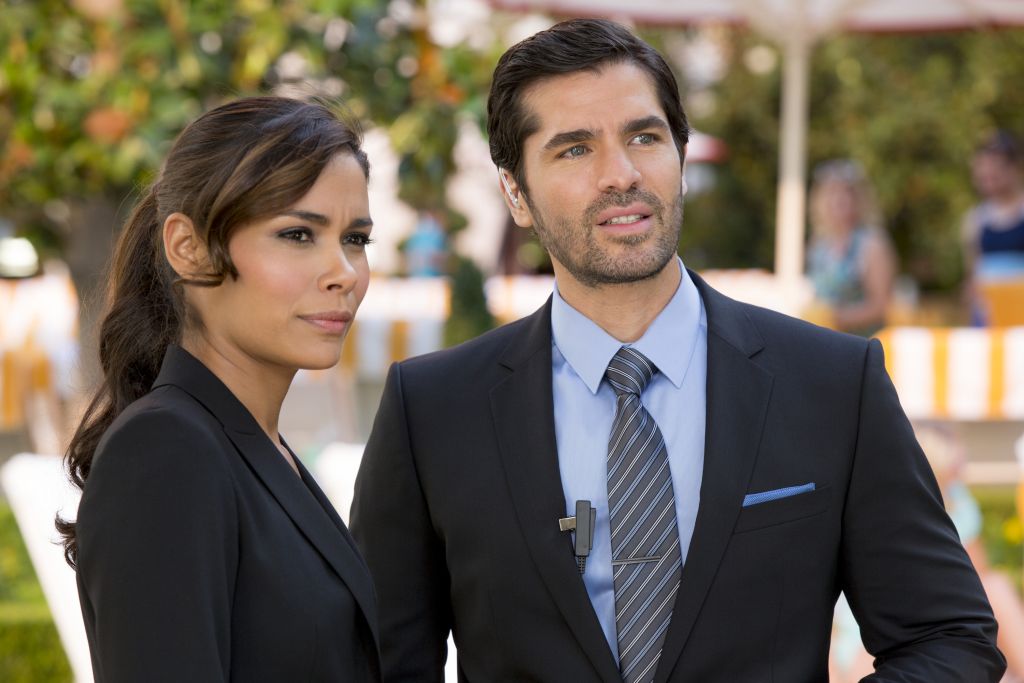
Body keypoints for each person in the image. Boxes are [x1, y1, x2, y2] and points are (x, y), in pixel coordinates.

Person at [351, 18, 1004, 682]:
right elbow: (378, 666)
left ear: (682, 160)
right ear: (515, 193)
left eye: (644, 137)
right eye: (574, 149)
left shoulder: (834, 384)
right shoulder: (431, 411)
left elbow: (948, 636)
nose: (621, 174)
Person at [59, 96, 381, 682]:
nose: (344, 273)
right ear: (188, 247)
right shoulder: (166, 449)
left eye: (356, 239)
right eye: (298, 234)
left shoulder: (255, 448)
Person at [805, 158, 896, 336]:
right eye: (831, 192)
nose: (838, 200)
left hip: (861, 342)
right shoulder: (818, 245)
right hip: (826, 341)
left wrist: (836, 318)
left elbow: (881, 307)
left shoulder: (872, 243)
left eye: (846, 192)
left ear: (859, 199)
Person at [963, 130, 1024, 324]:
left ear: (1014, 168)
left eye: (996, 169)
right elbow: (973, 270)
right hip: (989, 313)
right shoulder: (976, 218)